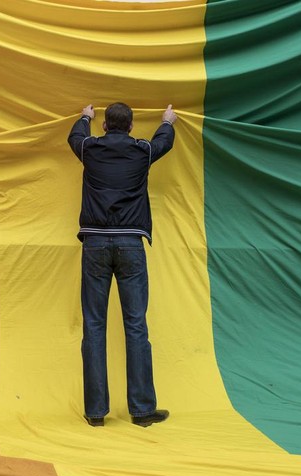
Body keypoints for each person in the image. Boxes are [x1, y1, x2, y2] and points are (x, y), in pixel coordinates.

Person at [67, 102, 177, 427]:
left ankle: (96, 413)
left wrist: (85, 116)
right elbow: (163, 143)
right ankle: (142, 412)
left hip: (95, 244)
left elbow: (74, 137)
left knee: (94, 325)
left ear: (104, 126)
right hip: (130, 244)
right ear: (130, 127)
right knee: (136, 326)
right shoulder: (141, 151)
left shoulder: (91, 148)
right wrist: (167, 121)